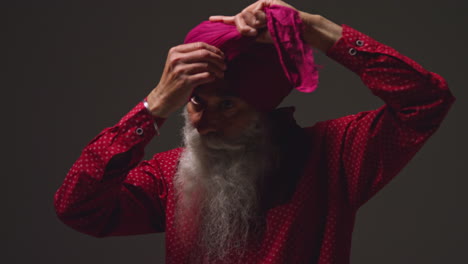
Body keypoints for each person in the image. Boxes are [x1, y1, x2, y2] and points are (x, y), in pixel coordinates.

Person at [54, 1, 455, 263]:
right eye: (195, 102)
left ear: (265, 111)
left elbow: (427, 101)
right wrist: (154, 105)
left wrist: (313, 30)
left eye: (227, 105)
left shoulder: (333, 155)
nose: (201, 123)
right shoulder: (170, 175)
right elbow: (78, 207)